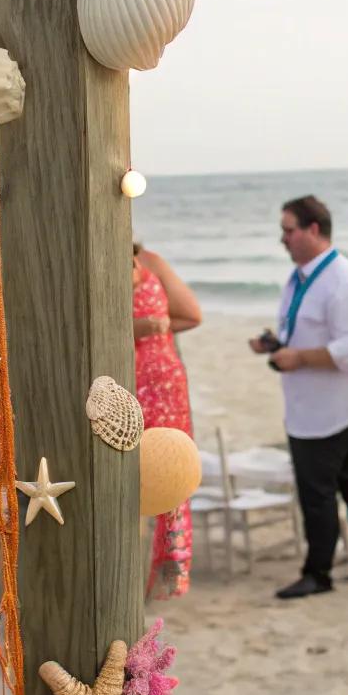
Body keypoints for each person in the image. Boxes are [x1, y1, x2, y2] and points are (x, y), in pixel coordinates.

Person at [250, 195, 348, 600]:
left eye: (288, 230)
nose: (283, 239)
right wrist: (276, 345)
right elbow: (307, 331)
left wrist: (298, 357)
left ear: (314, 230)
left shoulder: (345, 281)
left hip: (339, 407)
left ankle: (319, 573)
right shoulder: (301, 277)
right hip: (314, 402)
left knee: (318, 491)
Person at [133, 241, 202, 597]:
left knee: (173, 472)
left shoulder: (150, 261)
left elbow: (191, 315)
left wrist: (157, 328)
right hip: (122, 385)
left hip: (165, 386)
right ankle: (131, 572)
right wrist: (133, 328)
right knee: (131, 479)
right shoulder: (92, 262)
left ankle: (168, 573)